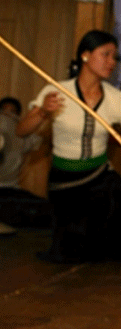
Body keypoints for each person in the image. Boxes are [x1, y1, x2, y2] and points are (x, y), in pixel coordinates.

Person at [16, 30, 121, 263]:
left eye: (114, 57)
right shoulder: (58, 91)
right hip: (65, 181)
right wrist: (42, 112)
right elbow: (22, 131)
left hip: (98, 176)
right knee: (71, 252)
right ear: (85, 56)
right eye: (106, 55)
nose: (112, 62)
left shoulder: (115, 98)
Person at [0, 97, 52, 230]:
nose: (8, 115)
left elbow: (43, 143)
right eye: (4, 112)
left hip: (10, 191)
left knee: (46, 209)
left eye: (12, 112)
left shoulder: (22, 134)